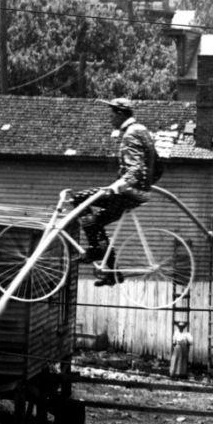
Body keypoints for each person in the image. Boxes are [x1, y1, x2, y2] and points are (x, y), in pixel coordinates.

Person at [71, 98, 160, 286]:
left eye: (112, 114)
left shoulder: (130, 135)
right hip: (138, 192)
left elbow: (135, 168)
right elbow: (157, 166)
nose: (110, 118)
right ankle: (112, 273)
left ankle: (95, 250)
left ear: (120, 114)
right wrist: (147, 185)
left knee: (79, 199)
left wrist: (117, 186)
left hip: (128, 192)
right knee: (95, 223)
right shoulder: (142, 131)